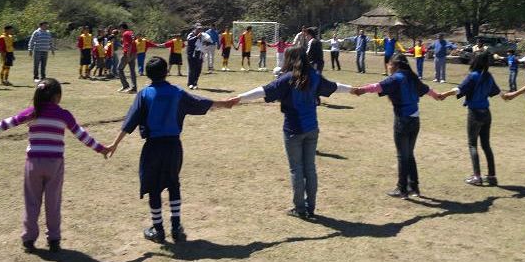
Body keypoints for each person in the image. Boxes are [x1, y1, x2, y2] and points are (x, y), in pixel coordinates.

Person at [106, 57, 237, 243]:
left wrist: (114, 144)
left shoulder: (144, 95)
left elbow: (129, 124)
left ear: (148, 75)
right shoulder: (176, 92)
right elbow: (199, 102)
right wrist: (224, 103)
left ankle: (158, 229)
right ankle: (176, 228)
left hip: (153, 147)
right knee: (173, 184)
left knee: (153, 188)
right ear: (166, 71)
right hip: (173, 146)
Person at [0, 78, 108, 253]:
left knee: (31, 201)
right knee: (53, 202)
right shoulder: (64, 115)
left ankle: (29, 239)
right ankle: (54, 239)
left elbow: (6, 123)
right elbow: (82, 135)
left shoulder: (33, 112)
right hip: (55, 164)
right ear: (57, 96)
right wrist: (100, 149)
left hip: (33, 163)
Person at [231, 47, 352, 217]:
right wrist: (354, 89)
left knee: (297, 169)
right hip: (312, 129)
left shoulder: (287, 78)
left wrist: (238, 98)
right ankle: (311, 207)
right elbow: (334, 87)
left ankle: (300, 209)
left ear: (290, 60)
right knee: (310, 168)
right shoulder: (314, 76)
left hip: (293, 130)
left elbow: (263, 91)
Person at [352, 54, 442, 198]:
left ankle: (402, 189)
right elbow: (427, 90)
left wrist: (361, 90)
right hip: (415, 120)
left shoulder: (396, 78)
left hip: (403, 121)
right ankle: (414, 187)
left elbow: (378, 86)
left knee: (402, 156)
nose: (388, 67)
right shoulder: (412, 77)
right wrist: (437, 95)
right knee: (409, 154)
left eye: (389, 64)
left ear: (395, 65)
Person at [439, 52, 501, 186]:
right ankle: (492, 176)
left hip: (475, 114)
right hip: (486, 113)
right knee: (486, 145)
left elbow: (458, 90)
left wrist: (444, 94)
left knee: (472, 144)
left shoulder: (473, 76)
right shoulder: (488, 76)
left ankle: (477, 177)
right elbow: (495, 91)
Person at [186, 24, 212, 90]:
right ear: (195, 29)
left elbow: (209, 42)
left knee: (198, 69)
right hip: (191, 55)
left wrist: (206, 43)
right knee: (192, 69)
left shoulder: (203, 35)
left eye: (200, 29)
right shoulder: (191, 34)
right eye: (198, 29)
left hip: (200, 54)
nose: (199, 30)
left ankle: (195, 83)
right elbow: (189, 41)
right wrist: (197, 37)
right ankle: (190, 83)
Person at [117, 23, 137, 93]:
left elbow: (129, 45)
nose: (120, 30)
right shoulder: (131, 32)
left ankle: (125, 86)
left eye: (120, 29)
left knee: (119, 69)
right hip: (134, 53)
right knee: (132, 71)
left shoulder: (125, 34)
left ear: (122, 28)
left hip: (128, 54)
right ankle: (134, 88)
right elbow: (133, 43)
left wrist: (128, 56)